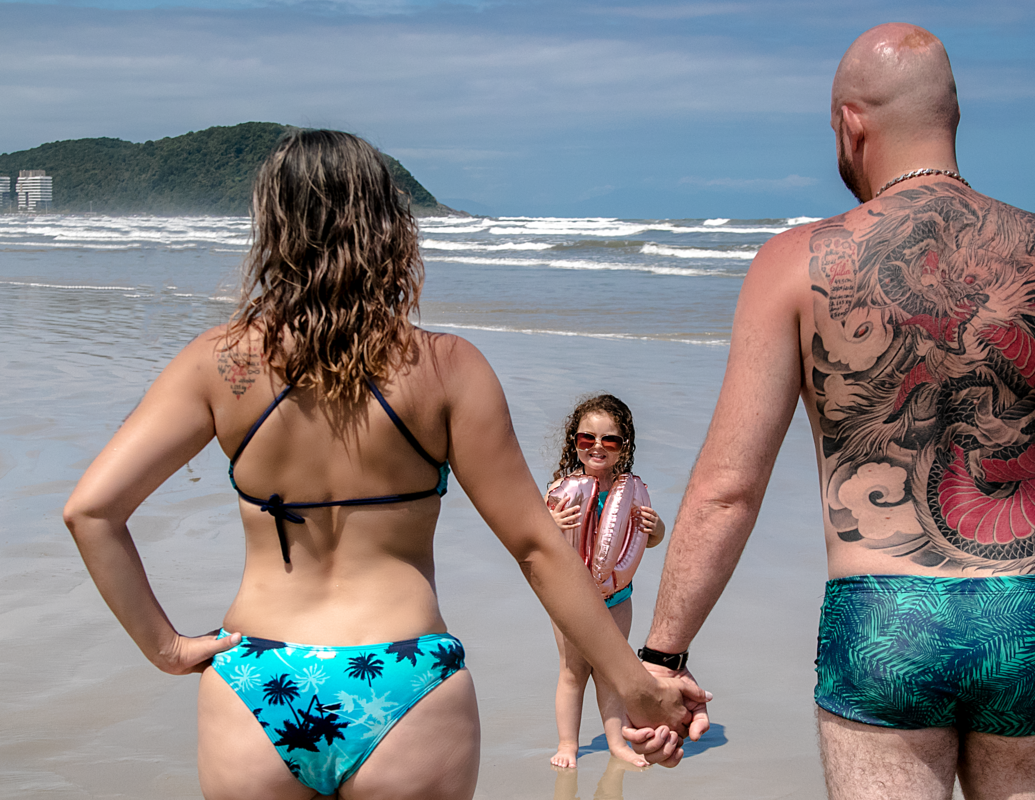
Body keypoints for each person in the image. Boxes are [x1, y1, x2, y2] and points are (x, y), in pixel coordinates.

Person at [62, 129, 706, 800]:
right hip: (406, 680)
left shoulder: (218, 364)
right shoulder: (448, 367)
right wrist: (635, 684)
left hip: (257, 672)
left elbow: (91, 511)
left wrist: (165, 648)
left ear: (274, 227)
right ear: (391, 228)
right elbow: (537, 546)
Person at [629, 22, 1035, 797]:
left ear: (851, 124)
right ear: (952, 118)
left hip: (881, 617)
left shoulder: (796, 264)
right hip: (1024, 615)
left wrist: (662, 656)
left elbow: (728, 488)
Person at [544, 394, 666, 768]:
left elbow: (651, 537)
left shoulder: (630, 492)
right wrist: (550, 525)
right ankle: (568, 744)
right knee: (572, 671)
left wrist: (657, 527)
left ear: (622, 446)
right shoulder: (559, 490)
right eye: (587, 438)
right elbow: (536, 539)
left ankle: (617, 743)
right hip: (570, 598)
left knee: (611, 673)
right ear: (575, 442)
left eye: (609, 440)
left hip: (617, 597)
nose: (597, 446)